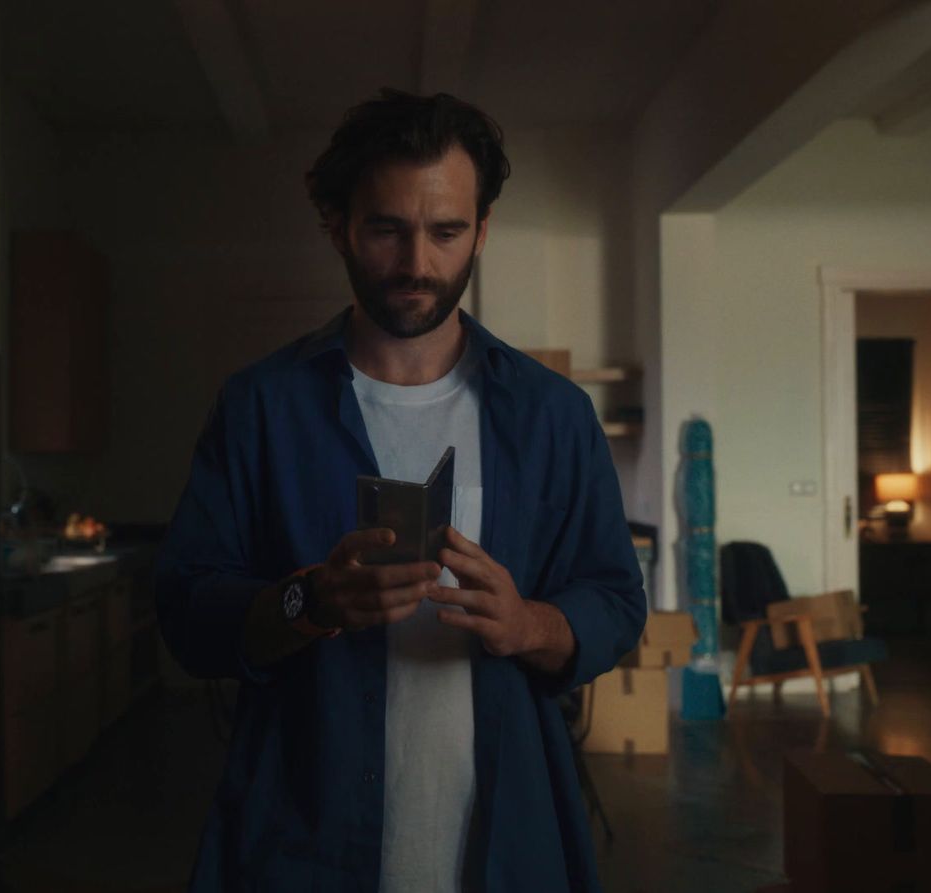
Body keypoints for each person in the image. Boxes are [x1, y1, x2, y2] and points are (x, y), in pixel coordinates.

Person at [156, 88, 646, 892]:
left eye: (447, 231)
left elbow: (616, 602)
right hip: (300, 842)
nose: (419, 263)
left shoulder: (553, 415)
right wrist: (307, 601)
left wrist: (529, 622)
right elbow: (186, 609)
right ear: (338, 224)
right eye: (386, 228)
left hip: (509, 841)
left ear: (481, 230)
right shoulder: (260, 407)